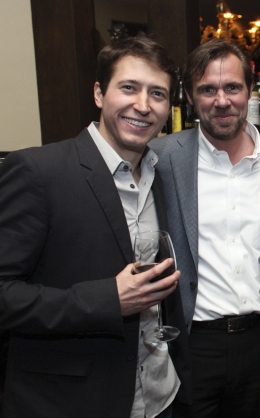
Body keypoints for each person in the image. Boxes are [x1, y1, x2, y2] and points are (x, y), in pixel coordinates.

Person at [0, 35, 192, 418]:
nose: (143, 105)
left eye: (157, 94)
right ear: (99, 93)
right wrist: (108, 301)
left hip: (159, 395)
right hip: (72, 402)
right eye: (129, 88)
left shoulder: (163, 175)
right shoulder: (38, 171)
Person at [149, 39, 260, 417]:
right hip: (194, 344)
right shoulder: (161, 158)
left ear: (249, 91)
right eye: (207, 89)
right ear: (188, 95)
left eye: (232, 87)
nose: (222, 100)